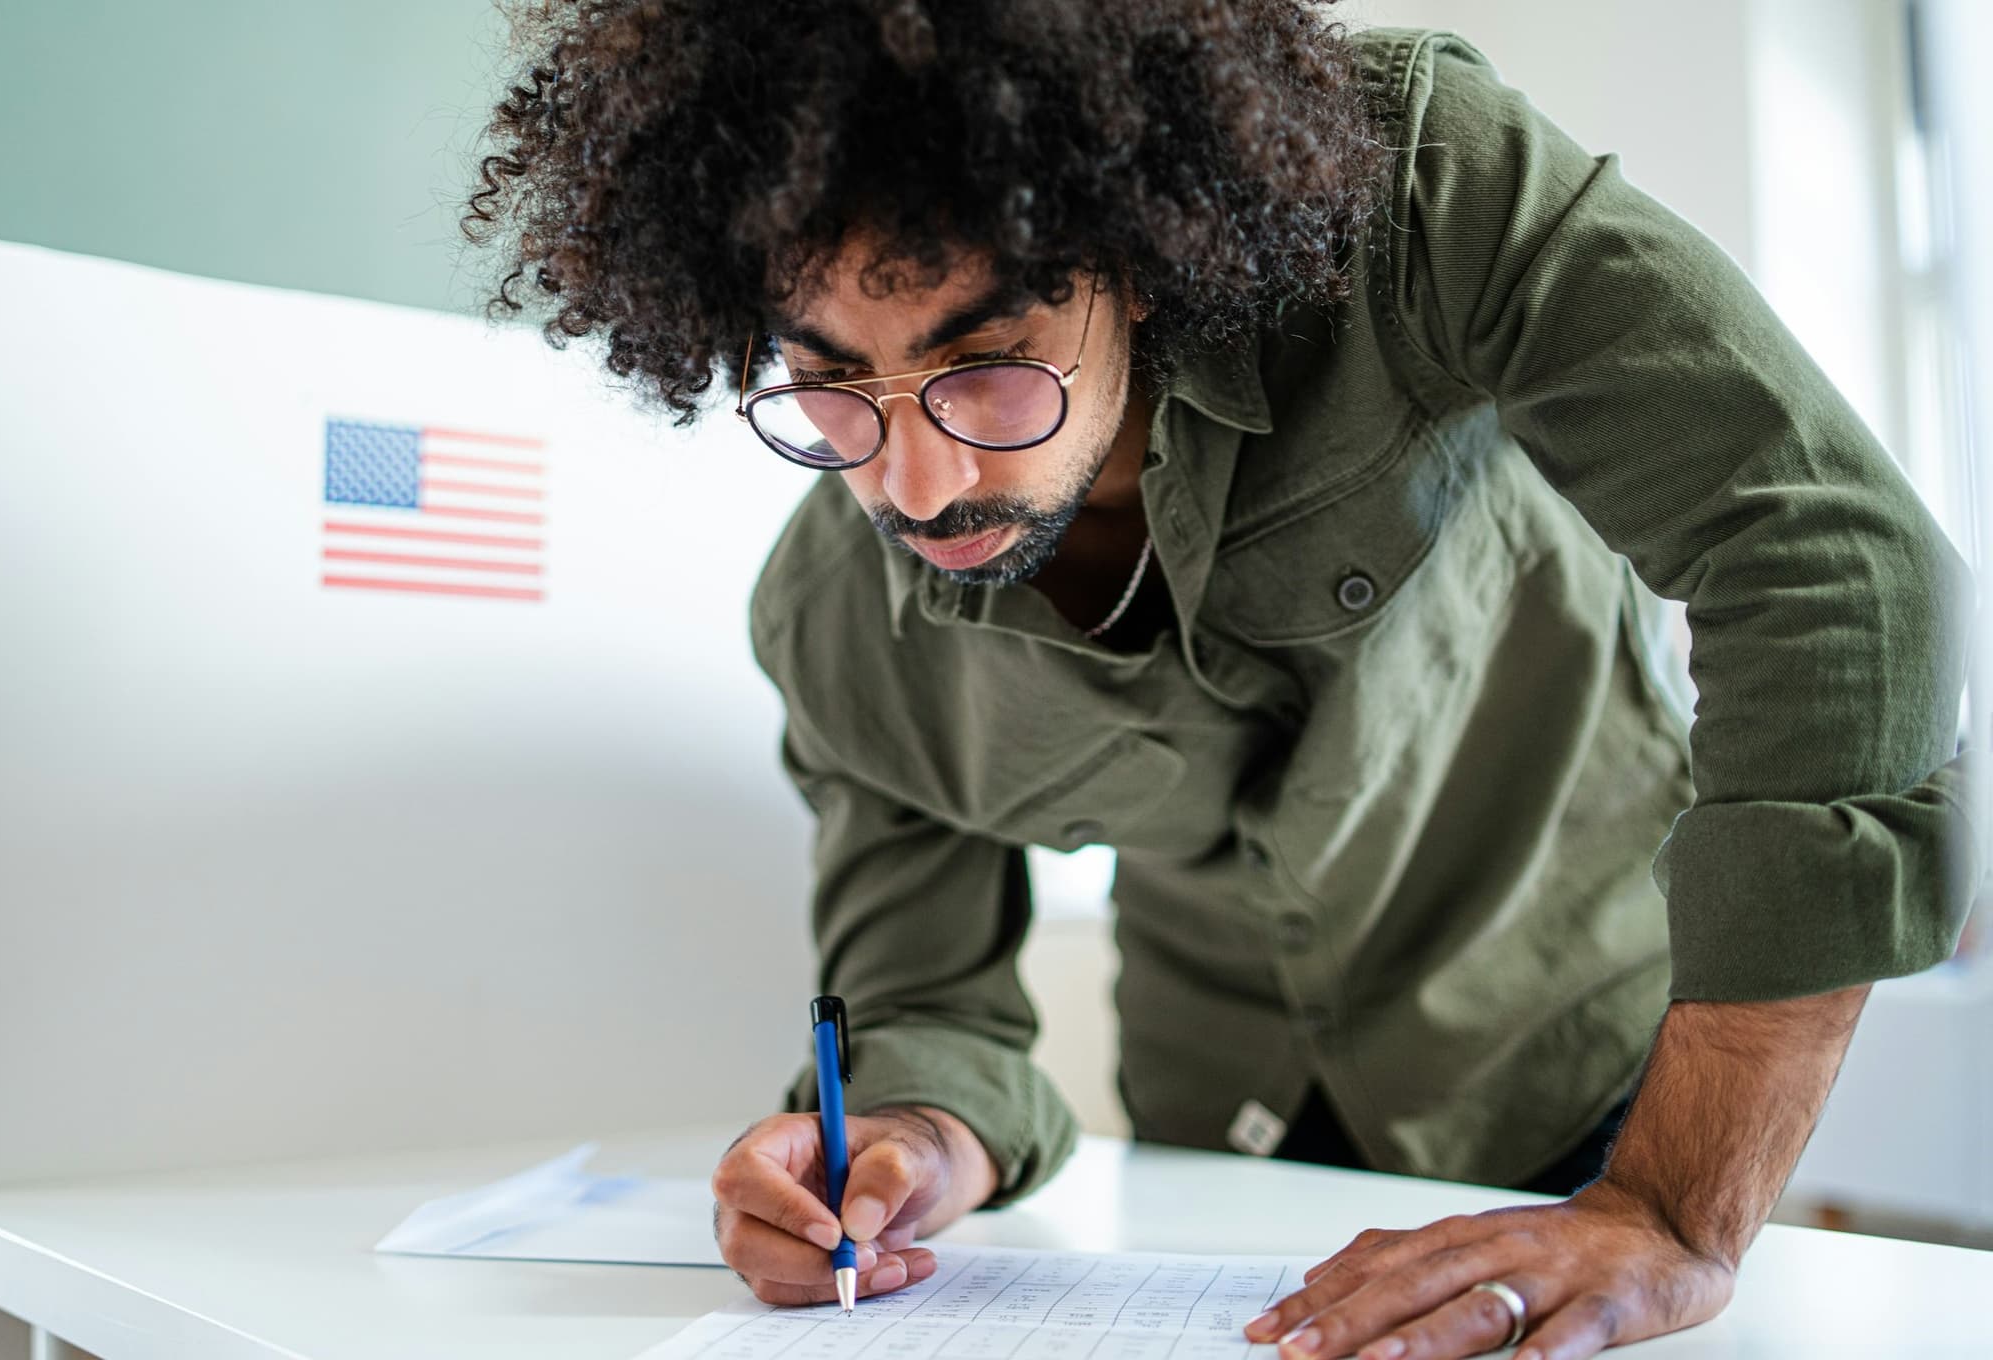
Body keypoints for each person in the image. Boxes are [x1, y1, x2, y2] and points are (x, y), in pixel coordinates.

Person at [464, 4, 1977, 1357]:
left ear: (1131, 258)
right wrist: (912, 1140)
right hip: (1227, 1143)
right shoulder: (834, 625)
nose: (918, 484)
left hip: (1603, 1076)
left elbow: (1834, 560)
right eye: (829, 379)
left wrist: (1671, 1202)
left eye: (987, 359)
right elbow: (928, 1000)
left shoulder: (1404, 189)